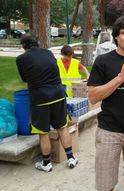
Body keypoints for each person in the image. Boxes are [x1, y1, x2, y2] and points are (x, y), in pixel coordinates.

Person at [87, 16, 124, 191]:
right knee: (105, 184)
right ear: (116, 37)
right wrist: (120, 78)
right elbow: (93, 96)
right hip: (109, 130)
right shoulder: (103, 61)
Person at [16, 35, 78, 172]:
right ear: (36, 43)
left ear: (23, 46)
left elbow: (25, 78)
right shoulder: (48, 53)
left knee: (43, 133)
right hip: (58, 94)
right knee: (62, 127)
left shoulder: (21, 59)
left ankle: (46, 163)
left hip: (40, 99)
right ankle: (71, 158)